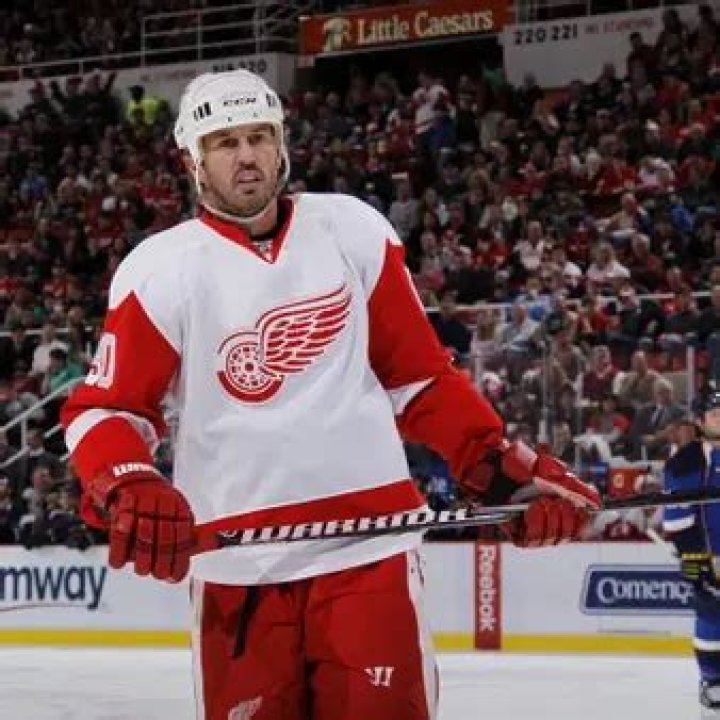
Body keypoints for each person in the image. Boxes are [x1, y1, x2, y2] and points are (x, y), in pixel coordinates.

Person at [60, 69, 600, 720]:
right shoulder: (160, 269)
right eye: (225, 142)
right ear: (193, 160)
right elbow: (106, 409)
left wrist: (493, 463)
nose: (247, 155)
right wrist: (129, 481)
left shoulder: (352, 230)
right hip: (238, 570)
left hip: (368, 552)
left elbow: (420, 378)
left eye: (259, 136)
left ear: (281, 143)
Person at [663, 390, 720, 717]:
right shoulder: (686, 462)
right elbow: (678, 521)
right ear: (700, 421)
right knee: (711, 614)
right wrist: (696, 561)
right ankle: (712, 683)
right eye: (715, 414)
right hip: (707, 557)